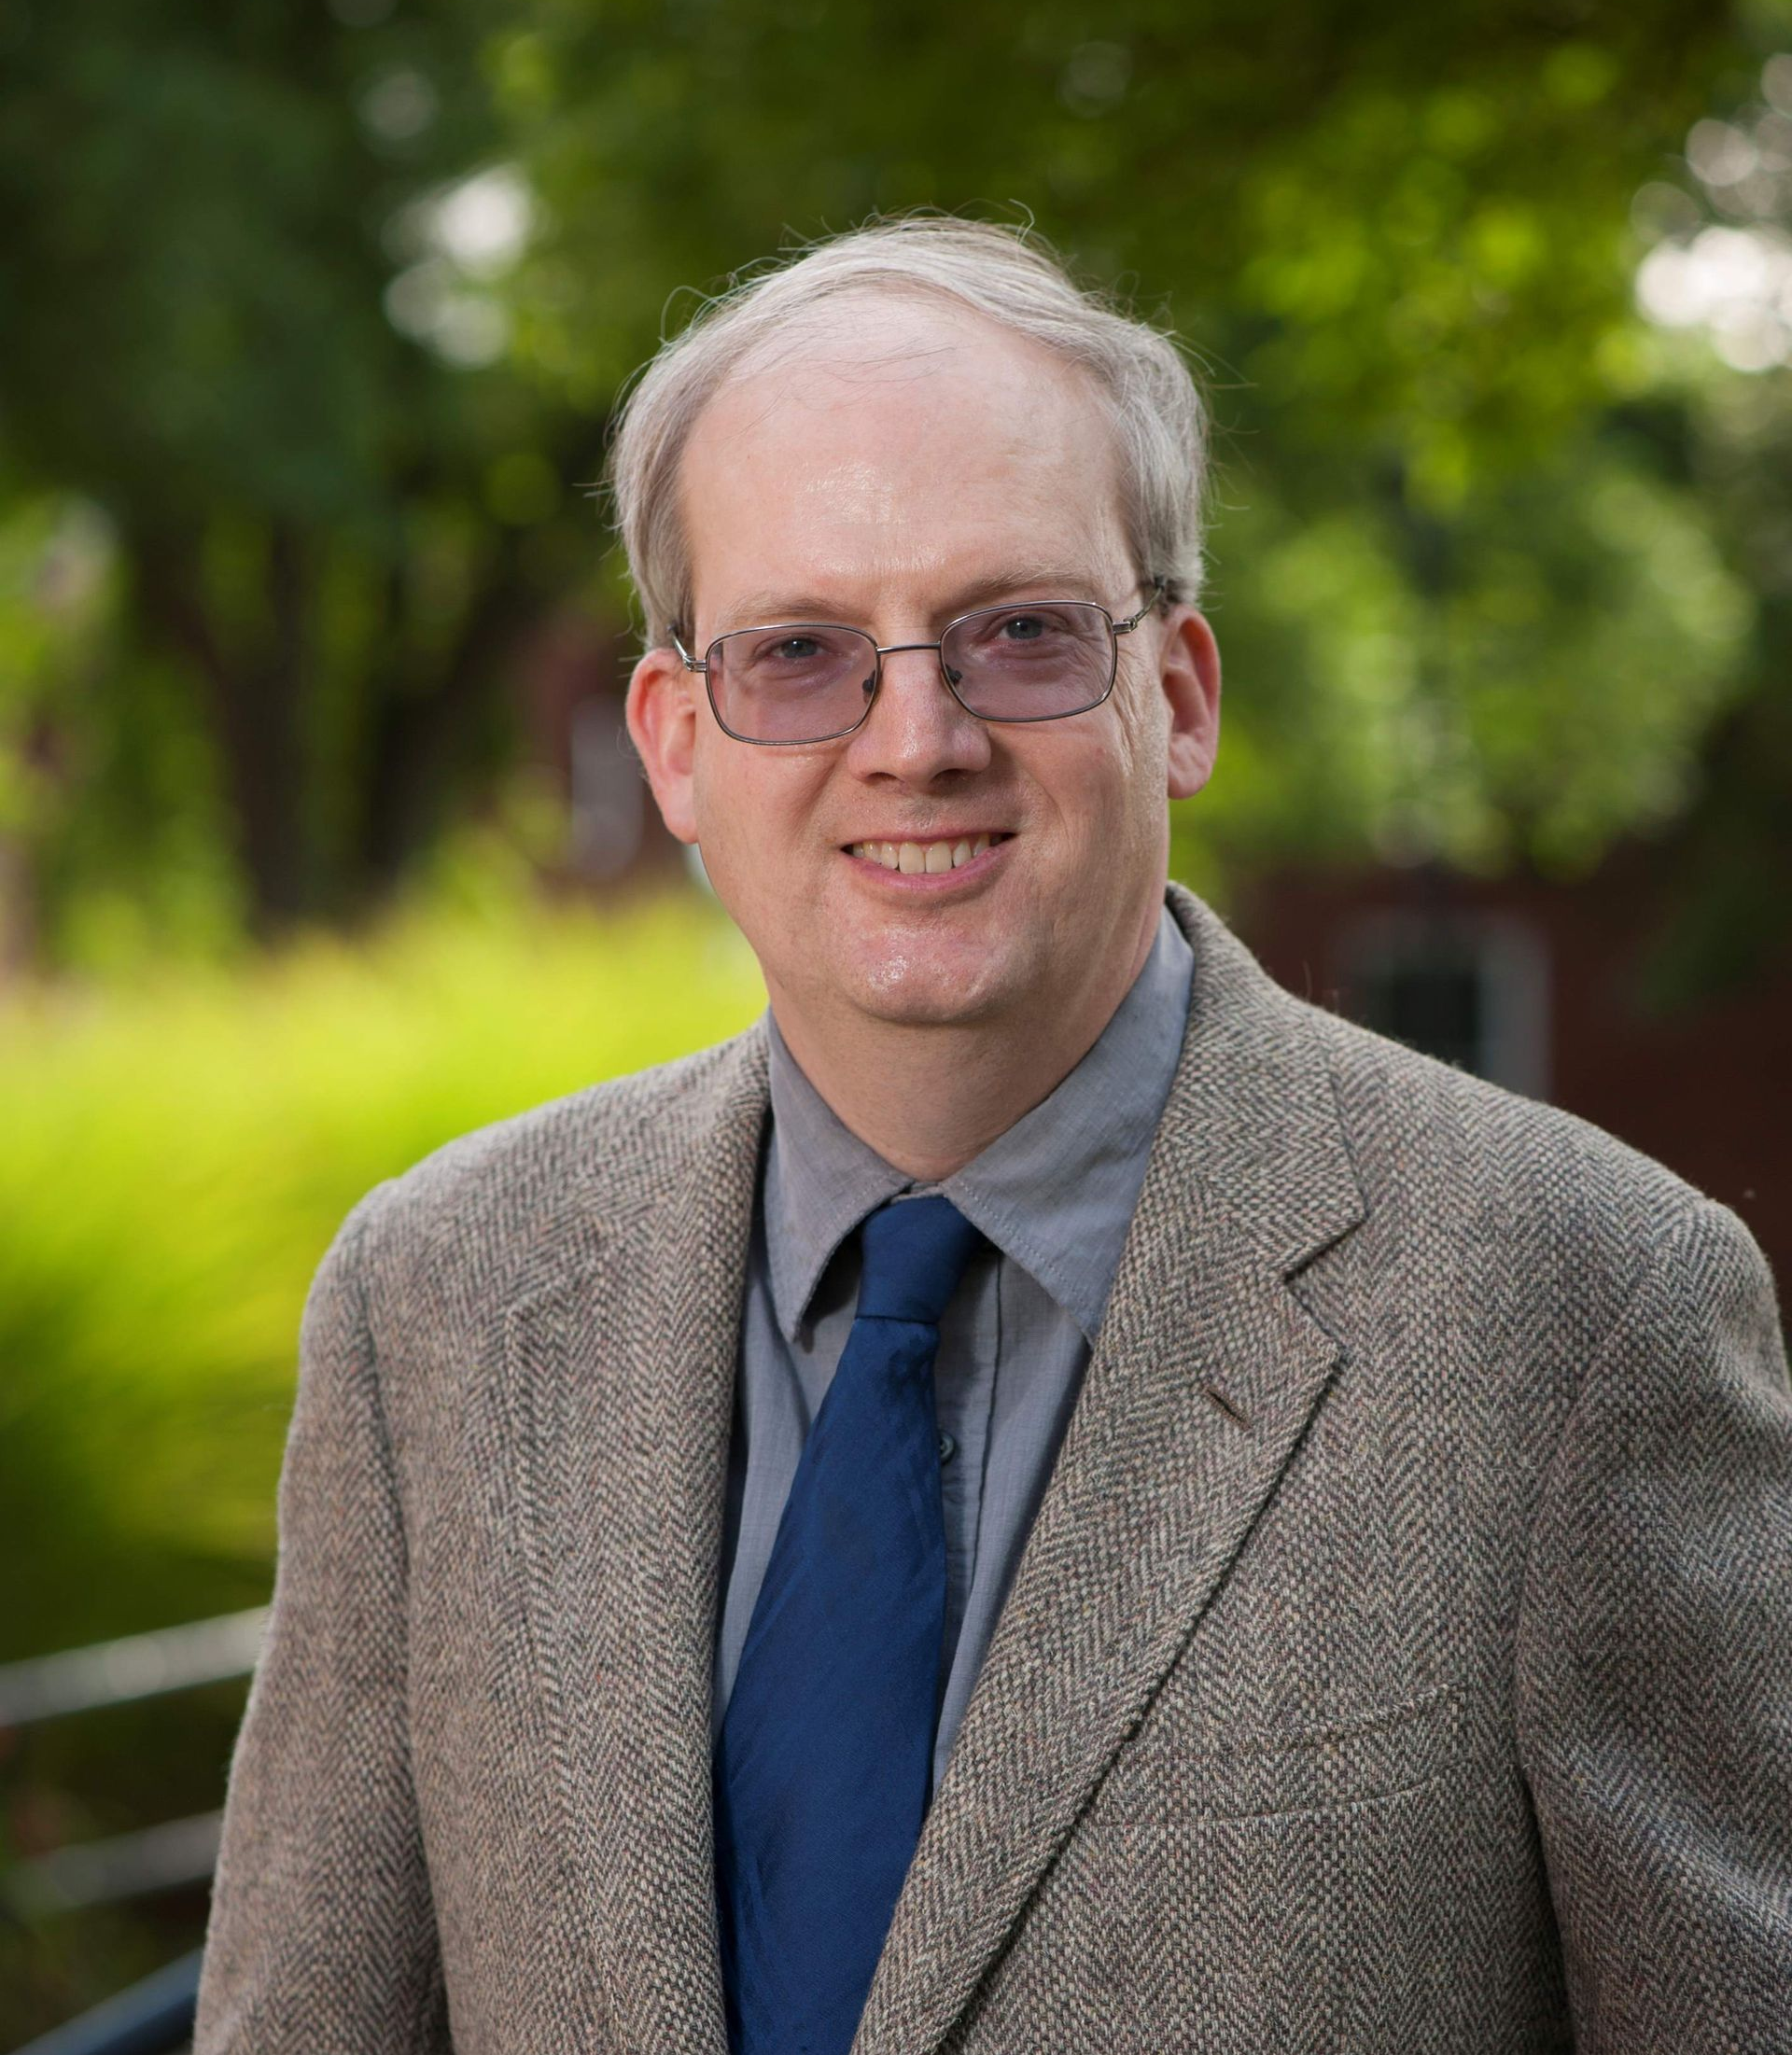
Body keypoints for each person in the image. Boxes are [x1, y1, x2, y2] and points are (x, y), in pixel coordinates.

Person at [194, 217, 1792, 2055]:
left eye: (1018, 634)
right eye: (801, 654)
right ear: (676, 743)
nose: (916, 738)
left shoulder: (1579, 1313)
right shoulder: (439, 1303)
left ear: (1176, 694)